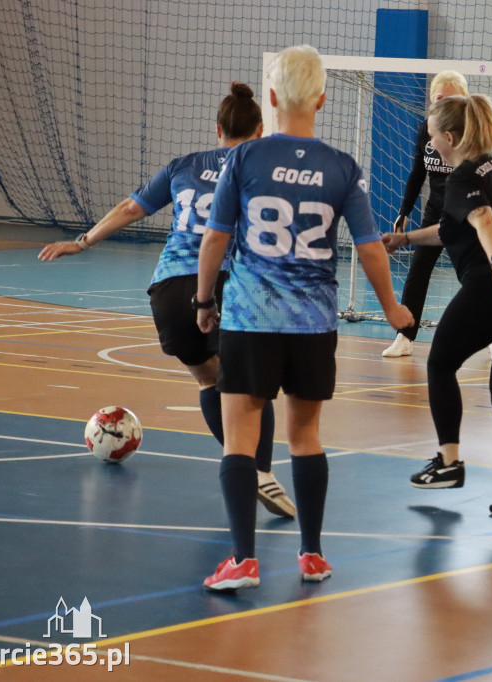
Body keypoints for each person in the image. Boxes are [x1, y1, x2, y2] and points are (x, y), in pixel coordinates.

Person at [195, 45, 413, 590]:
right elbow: (370, 249)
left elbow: (216, 238)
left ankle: (243, 560)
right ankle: (312, 554)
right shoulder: (343, 167)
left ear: (270, 98)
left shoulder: (244, 160)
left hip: (249, 320)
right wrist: (392, 308)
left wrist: (203, 302)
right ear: (322, 97)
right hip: (314, 326)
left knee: (239, 440)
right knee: (307, 436)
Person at [38, 82, 296, 518]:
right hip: (227, 284)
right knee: (252, 388)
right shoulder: (261, 170)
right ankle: (262, 473)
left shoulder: (183, 165)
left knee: (210, 381)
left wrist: (83, 242)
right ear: (259, 131)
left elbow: (130, 208)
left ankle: (244, 468)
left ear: (217, 129)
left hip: (170, 289)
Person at [383, 94, 492, 516]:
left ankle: (448, 461)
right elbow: (450, 229)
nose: (429, 141)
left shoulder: (461, 177)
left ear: (449, 136)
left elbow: (483, 222)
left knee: (440, 364)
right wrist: (405, 239)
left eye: (431, 134)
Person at [382, 71, 469, 358]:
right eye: (437, 98)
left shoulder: (472, 131)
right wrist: (404, 212)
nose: (441, 103)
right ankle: (405, 336)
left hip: (466, 213)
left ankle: (491, 334)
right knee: (418, 271)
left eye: (449, 99)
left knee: (474, 275)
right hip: (435, 213)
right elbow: (418, 173)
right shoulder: (425, 130)